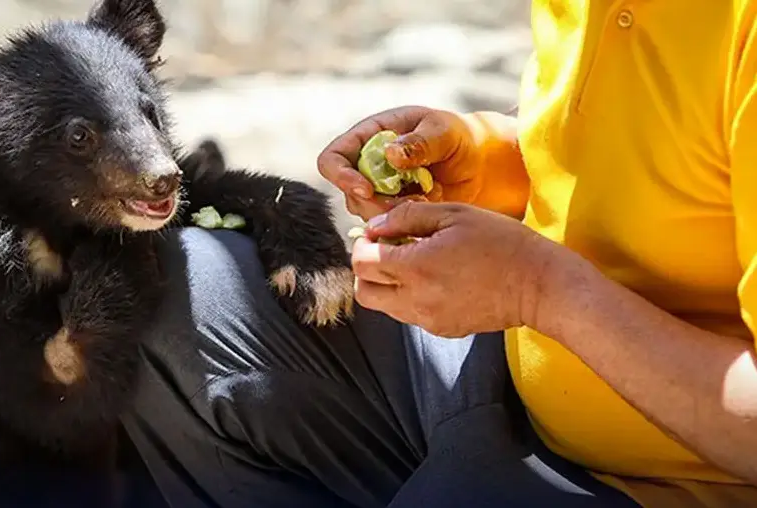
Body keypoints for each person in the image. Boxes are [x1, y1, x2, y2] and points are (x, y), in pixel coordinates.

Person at [119, 1, 757, 508]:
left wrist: (541, 291)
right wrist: (484, 158)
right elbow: (621, 150)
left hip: (663, 478)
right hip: (509, 361)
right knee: (176, 299)